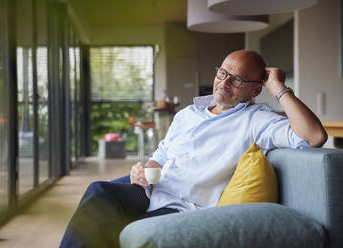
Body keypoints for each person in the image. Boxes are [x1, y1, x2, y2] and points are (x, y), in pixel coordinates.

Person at [60, 50, 327, 247]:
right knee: (98, 192)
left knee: (123, 231)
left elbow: (314, 136)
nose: (223, 83)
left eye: (236, 80)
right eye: (222, 73)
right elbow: (162, 154)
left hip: (181, 203)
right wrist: (145, 169)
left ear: (256, 90)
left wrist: (278, 87)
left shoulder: (256, 120)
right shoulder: (188, 113)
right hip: (153, 188)